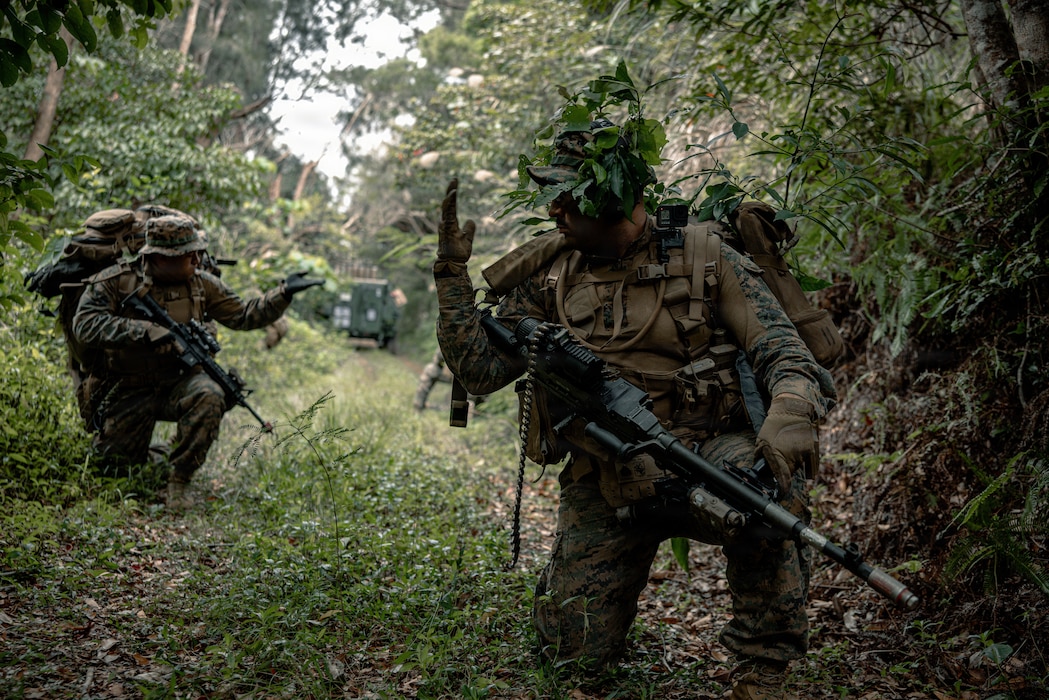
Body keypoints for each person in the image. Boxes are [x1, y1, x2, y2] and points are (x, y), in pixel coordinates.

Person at [432, 119, 836, 699]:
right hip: (610, 469)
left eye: (569, 197)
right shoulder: (550, 275)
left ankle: (763, 667)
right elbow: (480, 371)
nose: (555, 211)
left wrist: (791, 412)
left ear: (613, 197)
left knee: (770, 495)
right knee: (571, 658)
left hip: (711, 449)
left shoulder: (705, 257)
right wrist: (451, 276)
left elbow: (784, 352)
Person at [72, 214, 322, 508]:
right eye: (187, 254)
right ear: (160, 256)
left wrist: (283, 293)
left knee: (210, 394)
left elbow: (244, 315)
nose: (196, 258)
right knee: (113, 472)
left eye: (197, 251)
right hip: (127, 387)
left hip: (178, 383)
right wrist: (146, 332)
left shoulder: (202, 284)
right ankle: (157, 455)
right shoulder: (116, 281)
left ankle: (179, 480)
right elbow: (84, 325)